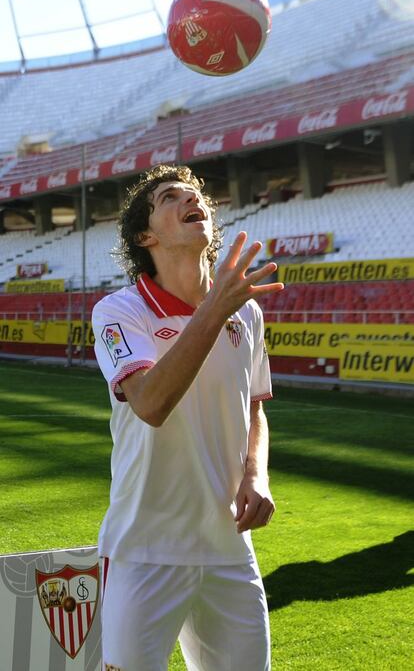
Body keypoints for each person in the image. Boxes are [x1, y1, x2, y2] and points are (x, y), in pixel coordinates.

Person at [92, 164, 284, 671]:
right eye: (168, 197)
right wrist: (213, 311)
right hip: (145, 549)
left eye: (194, 194)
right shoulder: (118, 311)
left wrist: (255, 474)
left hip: (228, 548)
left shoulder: (246, 312)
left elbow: (254, 407)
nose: (189, 198)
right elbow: (150, 404)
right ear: (145, 235)